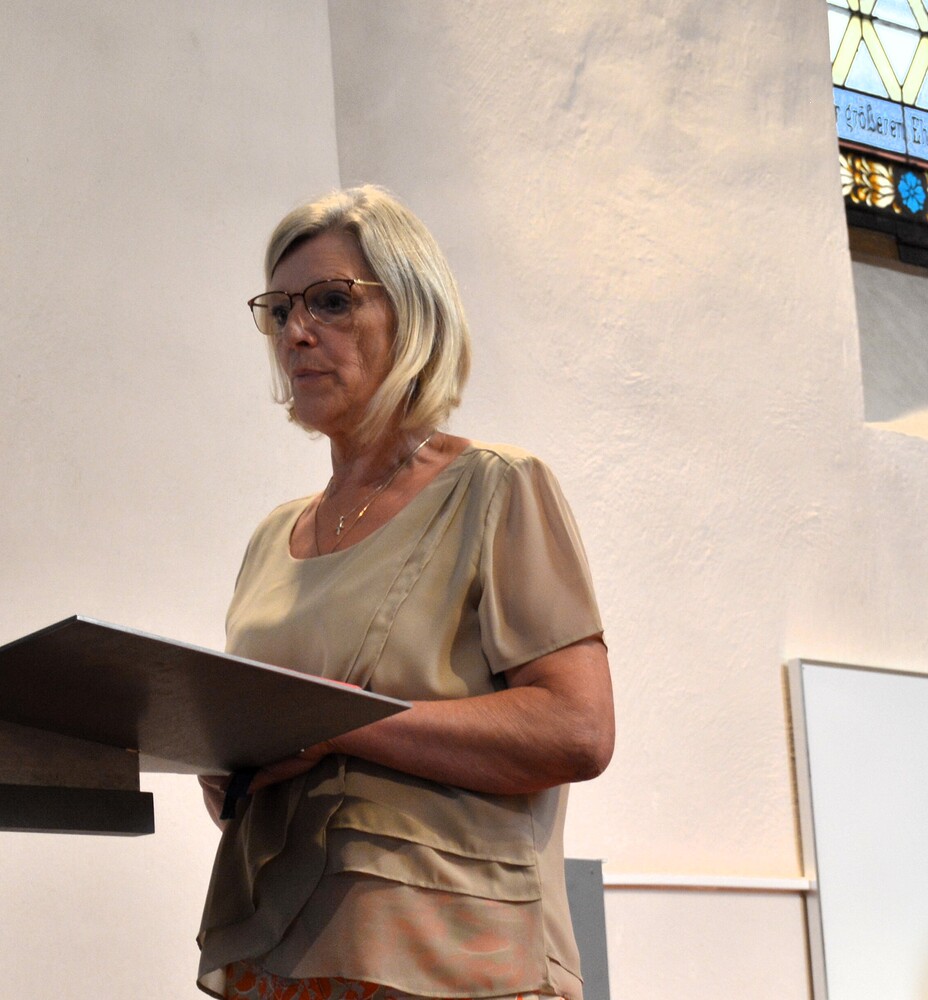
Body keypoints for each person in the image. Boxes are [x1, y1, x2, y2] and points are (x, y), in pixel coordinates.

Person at [197, 185, 614, 1000]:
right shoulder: (272, 538)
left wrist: (338, 723)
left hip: (447, 956)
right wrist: (226, 768)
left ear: (415, 313)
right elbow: (266, 779)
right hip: (277, 953)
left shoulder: (496, 487)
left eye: (330, 301)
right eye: (279, 311)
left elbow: (578, 728)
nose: (296, 332)